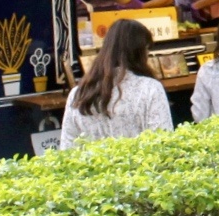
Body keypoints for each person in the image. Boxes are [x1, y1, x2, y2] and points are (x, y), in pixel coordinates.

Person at [61, 18, 173, 146]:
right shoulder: (151, 89)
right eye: (147, 50)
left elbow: (67, 148)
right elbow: (164, 144)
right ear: (140, 52)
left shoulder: (78, 93)